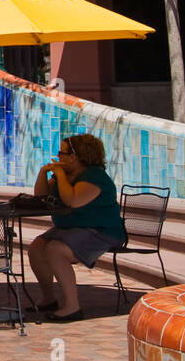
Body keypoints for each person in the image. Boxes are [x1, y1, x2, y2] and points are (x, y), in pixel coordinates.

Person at [26, 133, 126, 322]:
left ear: (75, 156)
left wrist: (61, 175)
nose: (58, 157)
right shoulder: (64, 176)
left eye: (61, 153)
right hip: (72, 228)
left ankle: (72, 306)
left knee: (56, 250)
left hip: (100, 231)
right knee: (37, 248)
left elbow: (73, 200)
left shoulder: (94, 177)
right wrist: (43, 173)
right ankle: (48, 298)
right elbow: (41, 196)